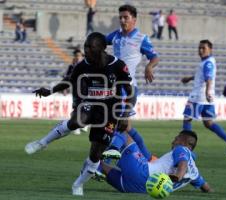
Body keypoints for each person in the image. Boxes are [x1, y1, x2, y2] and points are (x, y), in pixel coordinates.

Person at [24, 32, 133, 195]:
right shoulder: (83, 65)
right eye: (86, 46)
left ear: (102, 48)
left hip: (109, 112)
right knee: (77, 121)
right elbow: (69, 80)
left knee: (96, 154)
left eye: (91, 47)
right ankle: (43, 142)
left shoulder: (118, 65)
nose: (87, 50)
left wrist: (125, 113)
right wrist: (50, 90)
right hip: (89, 103)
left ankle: (78, 184)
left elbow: (129, 89)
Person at [104, 4, 159, 161]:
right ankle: (149, 158)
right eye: (120, 17)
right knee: (126, 127)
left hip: (128, 88)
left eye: (126, 17)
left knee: (116, 124)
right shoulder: (115, 36)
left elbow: (155, 57)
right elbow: (99, 42)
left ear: (134, 19)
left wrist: (149, 66)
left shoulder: (141, 39)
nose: (122, 20)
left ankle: (104, 163)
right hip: (114, 89)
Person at [99, 130, 212, 193]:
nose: (173, 141)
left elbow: (182, 163)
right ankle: (99, 168)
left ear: (185, 142)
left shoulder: (182, 149)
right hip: (140, 190)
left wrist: (178, 175)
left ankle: (111, 151)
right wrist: (210, 191)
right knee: (100, 164)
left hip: (142, 173)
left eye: (176, 138)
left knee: (123, 134)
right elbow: (206, 187)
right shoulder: (195, 173)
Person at [181, 40, 226, 157]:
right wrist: (190, 78)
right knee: (208, 123)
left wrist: (206, 91)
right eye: (199, 48)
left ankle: (185, 149)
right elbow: (203, 75)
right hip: (207, 97)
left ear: (210, 49)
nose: (200, 50)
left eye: (203, 48)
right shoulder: (208, 62)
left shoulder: (207, 63)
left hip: (198, 96)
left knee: (187, 119)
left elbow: (208, 78)